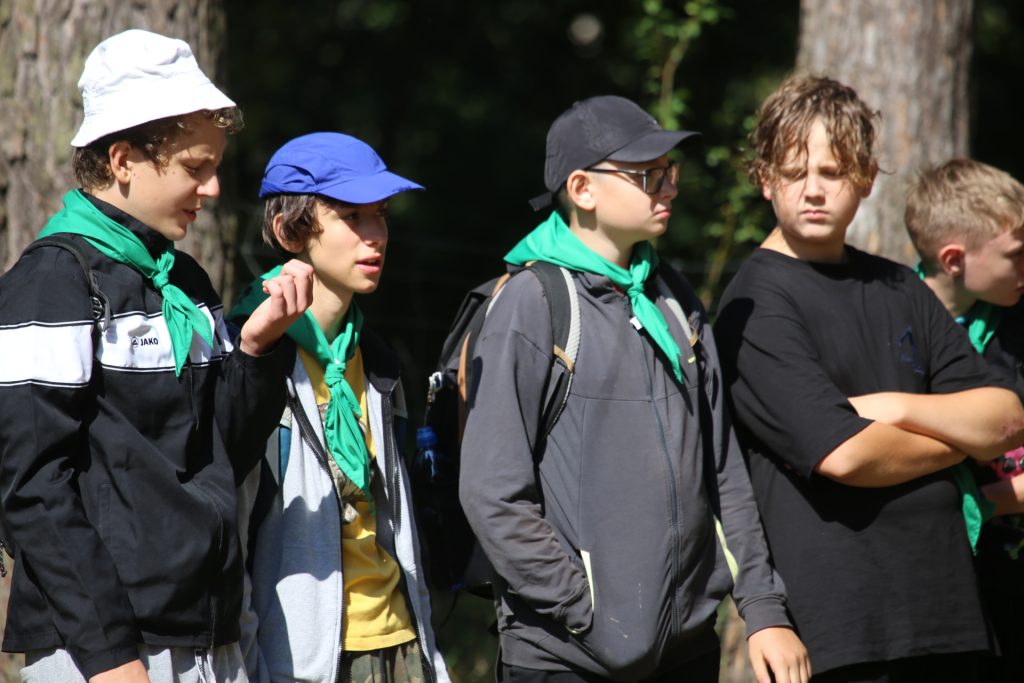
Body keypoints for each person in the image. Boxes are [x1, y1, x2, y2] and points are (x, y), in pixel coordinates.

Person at [458, 95, 810, 683]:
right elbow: (492, 494)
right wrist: (585, 610)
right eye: (648, 175)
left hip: (685, 650)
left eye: (671, 172)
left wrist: (763, 607)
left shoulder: (672, 298)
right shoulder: (533, 302)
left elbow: (722, 470)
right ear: (582, 189)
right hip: (566, 656)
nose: (668, 187)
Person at [0, 29, 312, 683]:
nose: (214, 188)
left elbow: (219, 456)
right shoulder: (53, 282)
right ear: (123, 160)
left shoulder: (185, 281)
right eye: (195, 168)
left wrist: (257, 350)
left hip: (210, 633)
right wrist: (110, 655)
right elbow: (31, 487)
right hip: (109, 652)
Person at [714, 75, 1024, 682]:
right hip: (842, 631)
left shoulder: (898, 285)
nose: (813, 190)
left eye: (832, 172)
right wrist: (961, 441)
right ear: (764, 178)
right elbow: (848, 456)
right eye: (794, 172)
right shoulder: (756, 305)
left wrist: (895, 408)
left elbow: (1006, 417)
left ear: (864, 177)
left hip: (951, 612)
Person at [230, 132, 450, 683]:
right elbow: (229, 531)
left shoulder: (377, 361)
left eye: (381, 215)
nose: (376, 236)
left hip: (402, 645)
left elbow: (394, 522)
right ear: (290, 231)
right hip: (300, 660)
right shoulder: (246, 357)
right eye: (352, 216)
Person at [904, 157, 1024, 682]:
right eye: (1016, 255)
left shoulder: (1014, 323)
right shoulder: (890, 325)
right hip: (933, 584)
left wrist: (985, 501)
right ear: (953, 259)